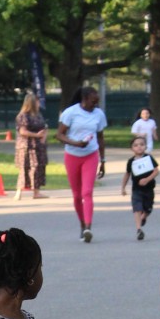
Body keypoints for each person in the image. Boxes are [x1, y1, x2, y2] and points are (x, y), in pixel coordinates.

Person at [56, 84, 107, 242]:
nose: (95, 105)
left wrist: (103, 160)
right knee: (77, 195)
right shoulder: (71, 113)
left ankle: (88, 228)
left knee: (87, 192)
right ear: (84, 99)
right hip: (72, 156)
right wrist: (75, 143)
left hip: (91, 155)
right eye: (93, 101)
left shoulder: (99, 114)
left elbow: (100, 137)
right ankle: (82, 224)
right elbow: (59, 134)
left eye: (97, 102)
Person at [121, 135, 159, 239]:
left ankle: (144, 217)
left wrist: (147, 179)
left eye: (142, 144)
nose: (139, 147)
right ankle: (139, 229)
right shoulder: (131, 161)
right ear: (132, 148)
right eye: (136, 145)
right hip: (137, 190)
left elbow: (156, 171)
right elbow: (127, 174)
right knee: (137, 208)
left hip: (149, 189)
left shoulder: (148, 158)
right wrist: (123, 188)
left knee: (148, 208)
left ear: (145, 146)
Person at [13, 91, 48, 198]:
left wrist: (43, 136)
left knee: (37, 168)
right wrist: (36, 135)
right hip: (27, 146)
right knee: (25, 168)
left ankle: (36, 192)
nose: (39, 104)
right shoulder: (23, 116)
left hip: (38, 146)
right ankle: (19, 192)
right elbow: (22, 131)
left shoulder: (38, 115)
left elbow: (44, 127)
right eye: (37, 101)